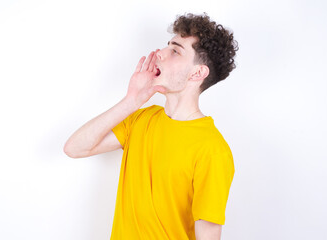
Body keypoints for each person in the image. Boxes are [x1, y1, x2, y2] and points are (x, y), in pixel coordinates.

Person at [64, 12, 239, 240]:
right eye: (167, 46)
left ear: (198, 73)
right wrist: (131, 101)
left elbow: (208, 233)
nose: (160, 53)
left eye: (175, 51)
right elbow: (75, 148)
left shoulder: (213, 150)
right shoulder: (141, 119)